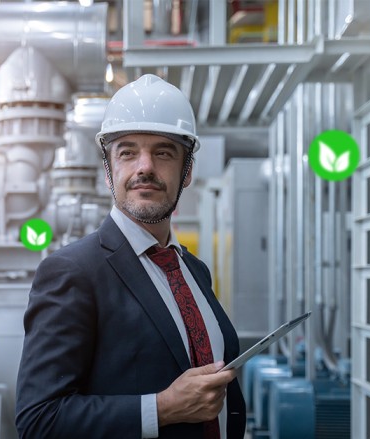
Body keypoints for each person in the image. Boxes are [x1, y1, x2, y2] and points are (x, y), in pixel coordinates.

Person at [15, 74, 246, 439]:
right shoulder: (72, 272)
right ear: (109, 172)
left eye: (163, 152)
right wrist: (163, 408)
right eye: (127, 152)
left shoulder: (194, 271)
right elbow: (39, 421)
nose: (145, 167)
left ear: (187, 172)